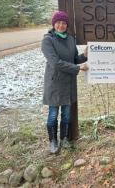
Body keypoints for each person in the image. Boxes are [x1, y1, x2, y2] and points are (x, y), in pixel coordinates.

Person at [41, 10, 88, 154]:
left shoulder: (70, 39)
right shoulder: (48, 40)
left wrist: (85, 55)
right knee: (53, 114)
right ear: (54, 24)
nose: (61, 25)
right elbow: (56, 63)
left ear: (67, 25)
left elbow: (73, 59)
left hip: (69, 83)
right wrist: (78, 68)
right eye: (58, 22)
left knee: (67, 115)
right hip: (55, 83)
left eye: (64, 23)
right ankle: (53, 141)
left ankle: (64, 139)